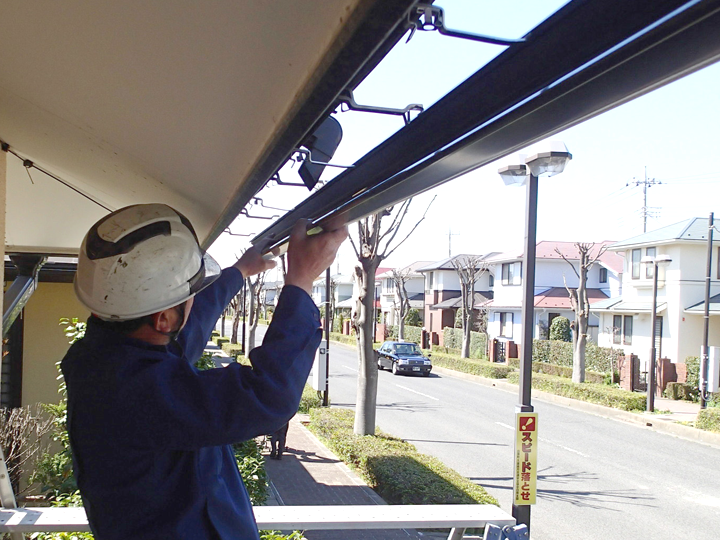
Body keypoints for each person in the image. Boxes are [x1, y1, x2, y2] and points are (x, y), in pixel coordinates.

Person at [61, 203, 347, 540]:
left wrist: (239, 272)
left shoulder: (106, 359)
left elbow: (183, 334)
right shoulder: (135, 390)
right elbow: (266, 396)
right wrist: (300, 281)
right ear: (163, 319)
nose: (195, 299)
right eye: (190, 293)